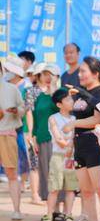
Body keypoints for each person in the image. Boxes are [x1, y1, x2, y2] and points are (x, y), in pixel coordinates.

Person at [64, 56, 100, 221]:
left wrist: (74, 123)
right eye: (79, 71)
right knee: (86, 191)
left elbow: (98, 120)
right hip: (80, 146)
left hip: (95, 146)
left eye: (83, 71)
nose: (80, 74)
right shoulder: (81, 93)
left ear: (95, 73)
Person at [25, 63, 59, 210]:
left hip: (53, 136)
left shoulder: (55, 92)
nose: (46, 77)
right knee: (35, 164)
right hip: (36, 133)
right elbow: (29, 113)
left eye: (49, 74)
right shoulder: (31, 91)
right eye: (43, 74)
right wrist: (31, 133)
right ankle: (36, 194)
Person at [43, 88, 78, 221]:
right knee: (54, 188)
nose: (72, 101)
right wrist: (69, 146)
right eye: (68, 99)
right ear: (59, 104)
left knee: (71, 188)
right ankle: (49, 215)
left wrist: (71, 147)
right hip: (58, 157)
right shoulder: (53, 118)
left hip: (71, 158)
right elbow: (58, 138)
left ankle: (68, 215)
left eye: (71, 99)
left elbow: (75, 137)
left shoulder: (75, 119)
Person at [1, 60, 26, 220]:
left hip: (7, 133)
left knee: (11, 172)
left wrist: (16, 110)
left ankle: (16, 209)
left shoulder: (12, 89)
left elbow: (23, 109)